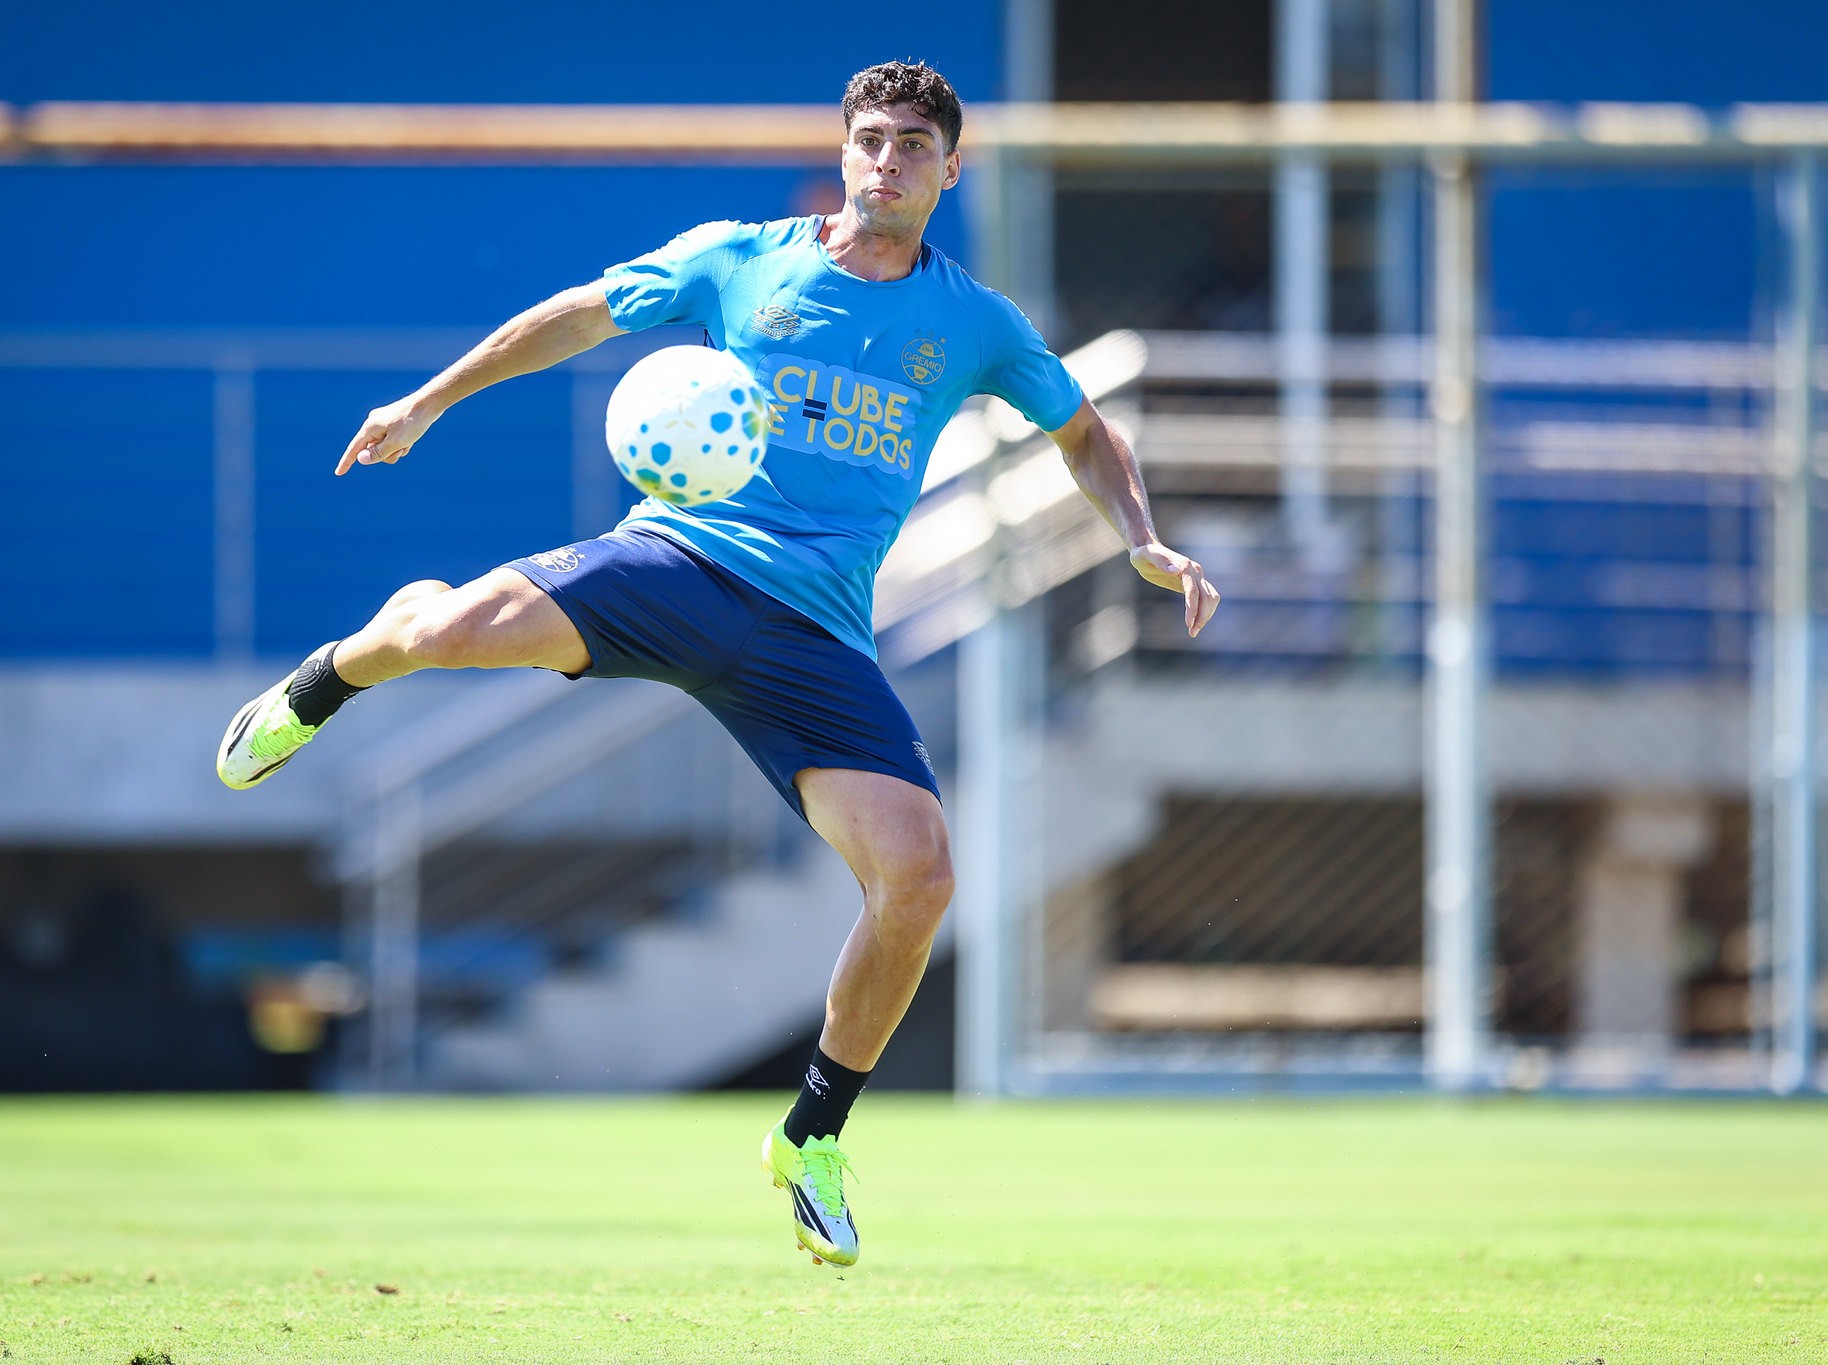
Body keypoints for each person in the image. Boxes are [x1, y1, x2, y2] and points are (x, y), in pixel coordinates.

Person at [218, 60, 1220, 1268]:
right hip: (678, 565)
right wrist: (428, 402)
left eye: (914, 143)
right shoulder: (740, 257)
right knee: (440, 638)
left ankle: (810, 1139)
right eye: (869, 138)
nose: (888, 159)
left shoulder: (974, 325)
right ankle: (329, 676)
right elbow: (583, 311)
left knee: (918, 877)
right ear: (843, 154)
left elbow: (1081, 430)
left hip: (814, 639)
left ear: (950, 171)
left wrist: (1143, 536)